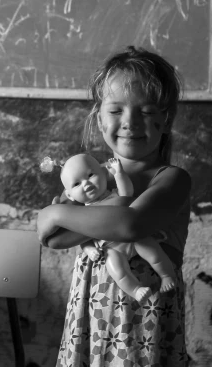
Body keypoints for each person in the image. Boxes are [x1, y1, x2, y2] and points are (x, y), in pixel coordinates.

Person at [36, 46, 191, 366]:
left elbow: (129, 224)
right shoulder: (92, 183)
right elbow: (52, 238)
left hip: (144, 326)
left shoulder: (172, 180)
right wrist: (58, 219)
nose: (130, 122)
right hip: (90, 323)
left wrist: (54, 211)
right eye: (116, 110)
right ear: (99, 117)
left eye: (147, 111)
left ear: (166, 119)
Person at [58, 153, 177, 302]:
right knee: (116, 269)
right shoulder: (81, 214)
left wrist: (119, 173)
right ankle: (135, 290)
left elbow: (127, 193)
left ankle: (166, 276)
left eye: (90, 175)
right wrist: (90, 250)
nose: (86, 184)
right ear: (70, 195)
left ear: (103, 173)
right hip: (111, 248)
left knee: (154, 253)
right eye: (76, 184)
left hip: (133, 237)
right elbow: (81, 237)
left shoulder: (113, 196)